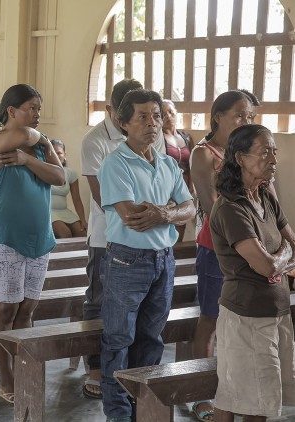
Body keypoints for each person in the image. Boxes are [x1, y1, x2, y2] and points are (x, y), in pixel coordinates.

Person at [98, 89, 195, 422]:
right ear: (123, 122)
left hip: (163, 259)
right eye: (142, 116)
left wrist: (166, 214)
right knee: (118, 339)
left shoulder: (167, 163)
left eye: (156, 116)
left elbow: (190, 207)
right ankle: (118, 414)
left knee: (151, 339)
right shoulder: (115, 163)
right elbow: (133, 217)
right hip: (127, 260)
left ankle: (144, 409)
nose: (152, 123)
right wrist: (172, 211)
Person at [0, 84, 65, 404]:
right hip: (5, 238)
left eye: (39, 108)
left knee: (27, 309)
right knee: (5, 309)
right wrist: (37, 139)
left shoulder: (38, 145)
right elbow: (25, 137)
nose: (37, 114)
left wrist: (28, 159)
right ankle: (5, 380)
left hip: (39, 238)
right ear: (11, 111)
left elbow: (59, 177)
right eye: (31, 107)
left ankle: (22, 371)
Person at [210, 124, 295, 422]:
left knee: (248, 396)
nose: (273, 159)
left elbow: (291, 241)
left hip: (276, 311)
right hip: (246, 317)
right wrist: (283, 256)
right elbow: (266, 266)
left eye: (274, 150)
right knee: (250, 403)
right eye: (264, 152)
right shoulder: (231, 208)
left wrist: (282, 254)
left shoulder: (265, 197)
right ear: (241, 158)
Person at [188, 89, 257, 421]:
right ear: (218, 116)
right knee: (210, 320)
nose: (246, 122)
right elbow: (211, 205)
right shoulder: (204, 154)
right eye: (240, 116)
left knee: (241, 323)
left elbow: (269, 203)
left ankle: (233, 392)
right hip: (218, 248)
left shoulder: (250, 152)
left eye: (250, 117)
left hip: (250, 247)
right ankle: (202, 395)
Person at [79, 78, 143, 399]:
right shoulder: (95, 141)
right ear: (111, 110)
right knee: (99, 299)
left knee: (131, 302)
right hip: (106, 236)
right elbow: (103, 195)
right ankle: (93, 365)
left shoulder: (145, 136)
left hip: (140, 237)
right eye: (126, 112)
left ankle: (123, 365)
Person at [161, 99, 195, 241]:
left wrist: (192, 185)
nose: (168, 116)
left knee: (181, 223)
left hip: (185, 188)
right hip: (168, 190)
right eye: (163, 114)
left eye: (170, 112)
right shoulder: (159, 139)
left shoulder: (186, 137)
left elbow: (192, 164)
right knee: (168, 226)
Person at [50, 139, 87, 238]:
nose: (56, 156)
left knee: (82, 233)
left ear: (64, 155)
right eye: (53, 153)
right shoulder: (42, 170)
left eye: (59, 153)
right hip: (48, 212)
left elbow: (77, 199)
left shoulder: (71, 173)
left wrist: (83, 220)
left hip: (64, 212)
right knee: (65, 234)